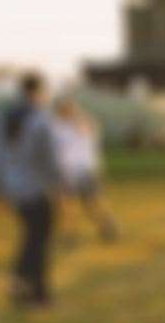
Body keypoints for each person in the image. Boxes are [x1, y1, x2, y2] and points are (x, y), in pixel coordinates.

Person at [0, 72, 64, 309]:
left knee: (31, 236)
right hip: (37, 187)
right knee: (40, 240)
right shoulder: (41, 118)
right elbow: (48, 156)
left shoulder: (3, 117)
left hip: (13, 186)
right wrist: (59, 184)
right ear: (40, 91)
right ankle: (39, 294)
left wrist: (1, 186)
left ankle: (19, 281)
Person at [51, 95, 119, 243]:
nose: (64, 111)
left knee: (92, 203)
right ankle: (70, 235)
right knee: (65, 204)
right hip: (66, 170)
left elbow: (91, 131)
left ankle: (108, 227)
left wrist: (77, 116)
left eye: (67, 108)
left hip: (85, 169)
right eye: (62, 108)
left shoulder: (83, 123)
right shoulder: (55, 126)